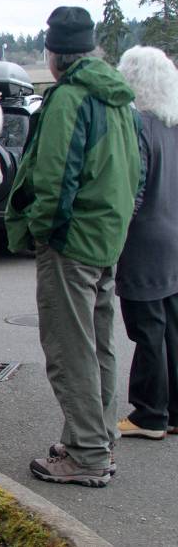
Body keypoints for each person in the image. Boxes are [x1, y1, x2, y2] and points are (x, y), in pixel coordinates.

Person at [6, 6, 142, 487]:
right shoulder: (118, 97)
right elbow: (137, 169)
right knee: (99, 342)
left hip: (72, 241)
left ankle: (87, 455)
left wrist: (41, 230)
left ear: (54, 54)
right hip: (106, 236)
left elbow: (54, 175)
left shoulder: (69, 98)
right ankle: (98, 437)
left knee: (69, 349)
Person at [115, 46, 178, 440]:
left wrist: (114, 231)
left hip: (144, 244)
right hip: (173, 237)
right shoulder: (173, 125)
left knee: (147, 328)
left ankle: (149, 414)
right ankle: (173, 411)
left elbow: (133, 191)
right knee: (172, 326)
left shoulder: (139, 126)